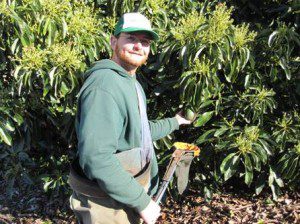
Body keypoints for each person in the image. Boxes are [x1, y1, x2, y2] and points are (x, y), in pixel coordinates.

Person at [68, 12, 191, 224]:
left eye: (145, 42)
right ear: (113, 41)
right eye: (131, 39)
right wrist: (142, 202)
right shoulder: (104, 85)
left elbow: (138, 132)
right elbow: (96, 158)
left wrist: (175, 122)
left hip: (122, 199)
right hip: (106, 206)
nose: (138, 46)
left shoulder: (130, 81)